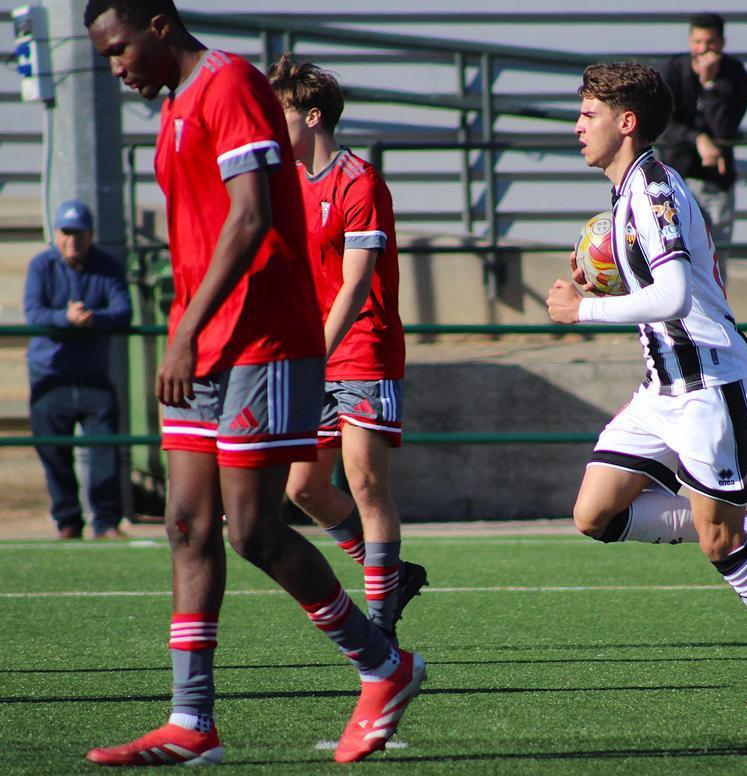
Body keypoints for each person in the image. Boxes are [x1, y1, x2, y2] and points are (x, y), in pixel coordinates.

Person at [83, 0, 422, 765]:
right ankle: (191, 720)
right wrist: (186, 333)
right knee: (186, 526)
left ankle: (384, 665)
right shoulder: (173, 108)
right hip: (202, 342)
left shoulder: (231, 83)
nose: (116, 68)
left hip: (260, 339)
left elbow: (250, 219)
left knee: (254, 530)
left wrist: (186, 333)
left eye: (119, 49)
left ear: (159, 25)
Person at [546, 62, 747, 706]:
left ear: (626, 122)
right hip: (662, 388)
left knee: (718, 543)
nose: (577, 126)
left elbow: (676, 295)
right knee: (594, 514)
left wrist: (584, 309)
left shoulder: (651, 189)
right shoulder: (630, 191)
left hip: (710, 385)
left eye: (589, 114)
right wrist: (606, 279)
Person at [268, 54, 427, 641]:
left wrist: (314, 357)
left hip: (362, 347)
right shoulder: (287, 181)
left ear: (312, 117)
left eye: (280, 114)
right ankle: (392, 574)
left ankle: (381, 627)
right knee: (303, 488)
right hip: (315, 351)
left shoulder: (359, 181)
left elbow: (356, 285)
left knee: (365, 483)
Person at [23, 199, 132, 540]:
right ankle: (68, 520)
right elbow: (33, 313)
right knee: (53, 450)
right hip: (50, 376)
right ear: (56, 234)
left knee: (105, 449)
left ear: (91, 234)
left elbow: (123, 310)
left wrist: (94, 318)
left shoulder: (107, 266)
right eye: (67, 233)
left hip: (93, 375)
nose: (73, 240)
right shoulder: (41, 265)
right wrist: (65, 318)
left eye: (79, 233)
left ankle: (106, 522)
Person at [657, 12, 747, 283]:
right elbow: (664, 123)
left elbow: (725, 129)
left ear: (721, 43)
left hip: (716, 181)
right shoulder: (672, 71)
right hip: (676, 178)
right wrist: (698, 139)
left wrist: (710, 85)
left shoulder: (735, 75)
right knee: (675, 253)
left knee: (716, 259)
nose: (703, 49)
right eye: (697, 42)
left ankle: (715, 308)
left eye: (710, 43)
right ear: (690, 42)